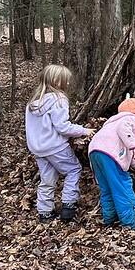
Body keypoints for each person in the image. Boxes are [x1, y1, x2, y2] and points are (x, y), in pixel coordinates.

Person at [25, 64, 94, 223]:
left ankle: (45, 213)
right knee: (73, 169)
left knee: (47, 179)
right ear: (57, 81)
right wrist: (84, 131)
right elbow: (63, 127)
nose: (68, 84)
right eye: (65, 81)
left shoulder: (34, 102)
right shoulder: (59, 99)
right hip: (55, 147)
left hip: (38, 149)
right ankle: (68, 207)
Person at [88, 96, 135, 230]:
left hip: (95, 151)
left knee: (106, 187)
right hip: (111, 155)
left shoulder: (110, 124)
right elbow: (124, 128)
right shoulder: (132, 119)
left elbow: (131, 156)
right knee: (121, 185)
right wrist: (134, 146)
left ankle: (109, 218)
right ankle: (131, 222)